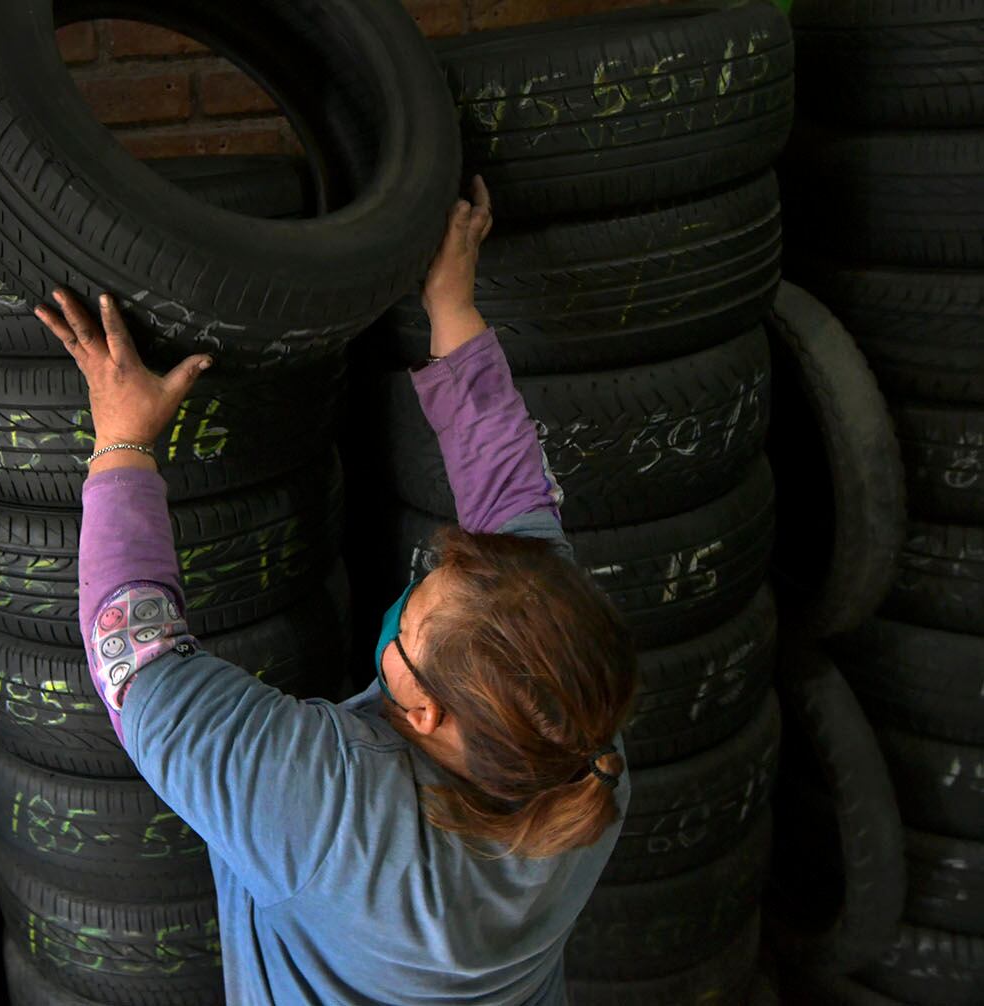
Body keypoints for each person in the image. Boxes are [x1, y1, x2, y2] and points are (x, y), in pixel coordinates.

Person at [32, 176, 638, 1006]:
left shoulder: (333, 814)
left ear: (423, 710)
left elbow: (136, 662)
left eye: (409, 625)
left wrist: (121, 439)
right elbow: (513, 498)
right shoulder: (582, 748)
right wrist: (452, 307)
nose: (405, 603)